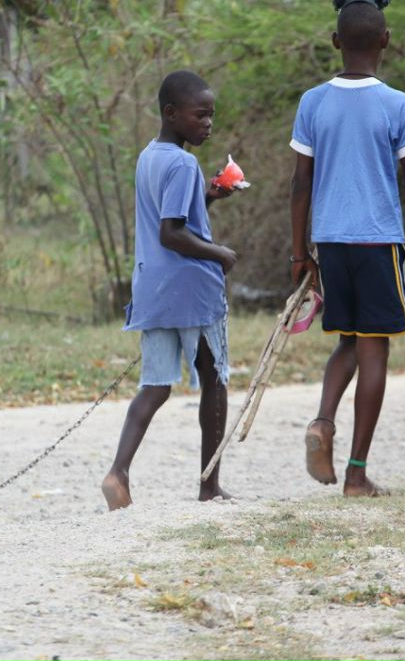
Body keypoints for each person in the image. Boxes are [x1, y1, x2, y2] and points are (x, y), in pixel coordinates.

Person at [288, 0, 405, 497]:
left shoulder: (313, 102)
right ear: (386, 40)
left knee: (347, 341)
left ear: (336, 42)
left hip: (330, 242)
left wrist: (299, 253)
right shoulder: (399, 105)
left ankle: (322, 421)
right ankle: (356, 474)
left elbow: (300, 184)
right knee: (374, 347)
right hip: (378, 242)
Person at [101, 70, 239, 511]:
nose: (208, 123)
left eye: (211, 115)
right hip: (191, 291)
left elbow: (175, 216)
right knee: (214, 379)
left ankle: (118, 472)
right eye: (200, 115)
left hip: (153, 289)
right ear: (170, 113)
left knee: (156, 385)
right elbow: (172, 233)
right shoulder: (183, 164)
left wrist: (210, 196)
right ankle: (209, 485)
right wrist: (220, 253)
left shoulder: (149, 156)